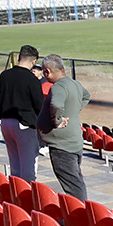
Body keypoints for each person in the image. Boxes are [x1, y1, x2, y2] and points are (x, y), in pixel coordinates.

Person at [37, 54, 90, 200]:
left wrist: (57, 120)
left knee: (73, 184)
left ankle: (79, 216)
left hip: (62, 146)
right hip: (72, 142)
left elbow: (56, 104)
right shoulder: (74, 84)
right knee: (75, 180)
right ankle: (79, 212)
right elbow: (86, 96)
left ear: (47, 71)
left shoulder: (58, 87)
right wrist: (73, 110)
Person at [0, 45, 45, 181]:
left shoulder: (5, 75)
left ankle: (15, 194)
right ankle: (26, 196)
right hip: (24, 125)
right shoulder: (32, 79)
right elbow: (39, 105)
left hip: (6, 122)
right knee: (28, 166)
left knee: (15, 164)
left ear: (18, 58)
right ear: (34, 61)